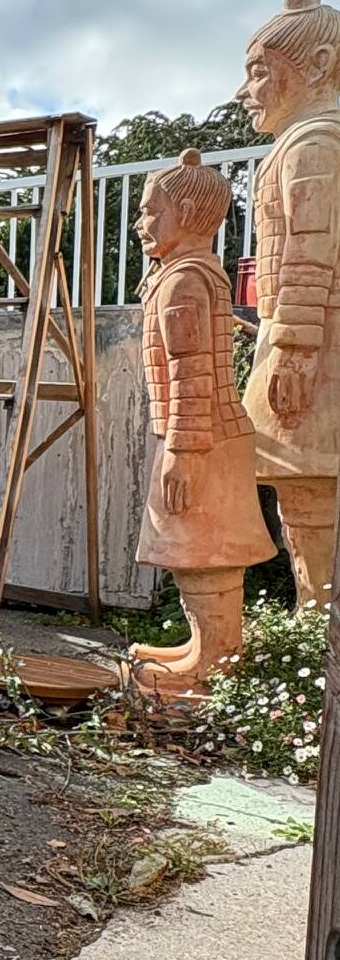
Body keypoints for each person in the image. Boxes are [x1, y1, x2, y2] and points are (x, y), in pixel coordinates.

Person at [131, 150, 273, 694]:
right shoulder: (185, 277)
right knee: (190, 547)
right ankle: (203, 646)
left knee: (204, 548)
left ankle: (215, 660)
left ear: (188, 211)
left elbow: (190, 374)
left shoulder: (183, 283)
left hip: (201, 438)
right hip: (201, 436)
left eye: (149, 212)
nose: (141, 224)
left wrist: (182, 451)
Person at [240, 0, 340, 607]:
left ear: (321, 65)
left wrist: (295, 349)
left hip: (315, 345)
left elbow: (311, 246)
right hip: (298, 338)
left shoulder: (315, 144)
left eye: (257, 71)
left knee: (308, 484)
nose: (246, 90)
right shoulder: (300, 143)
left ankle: (316, 627)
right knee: (299, 487)